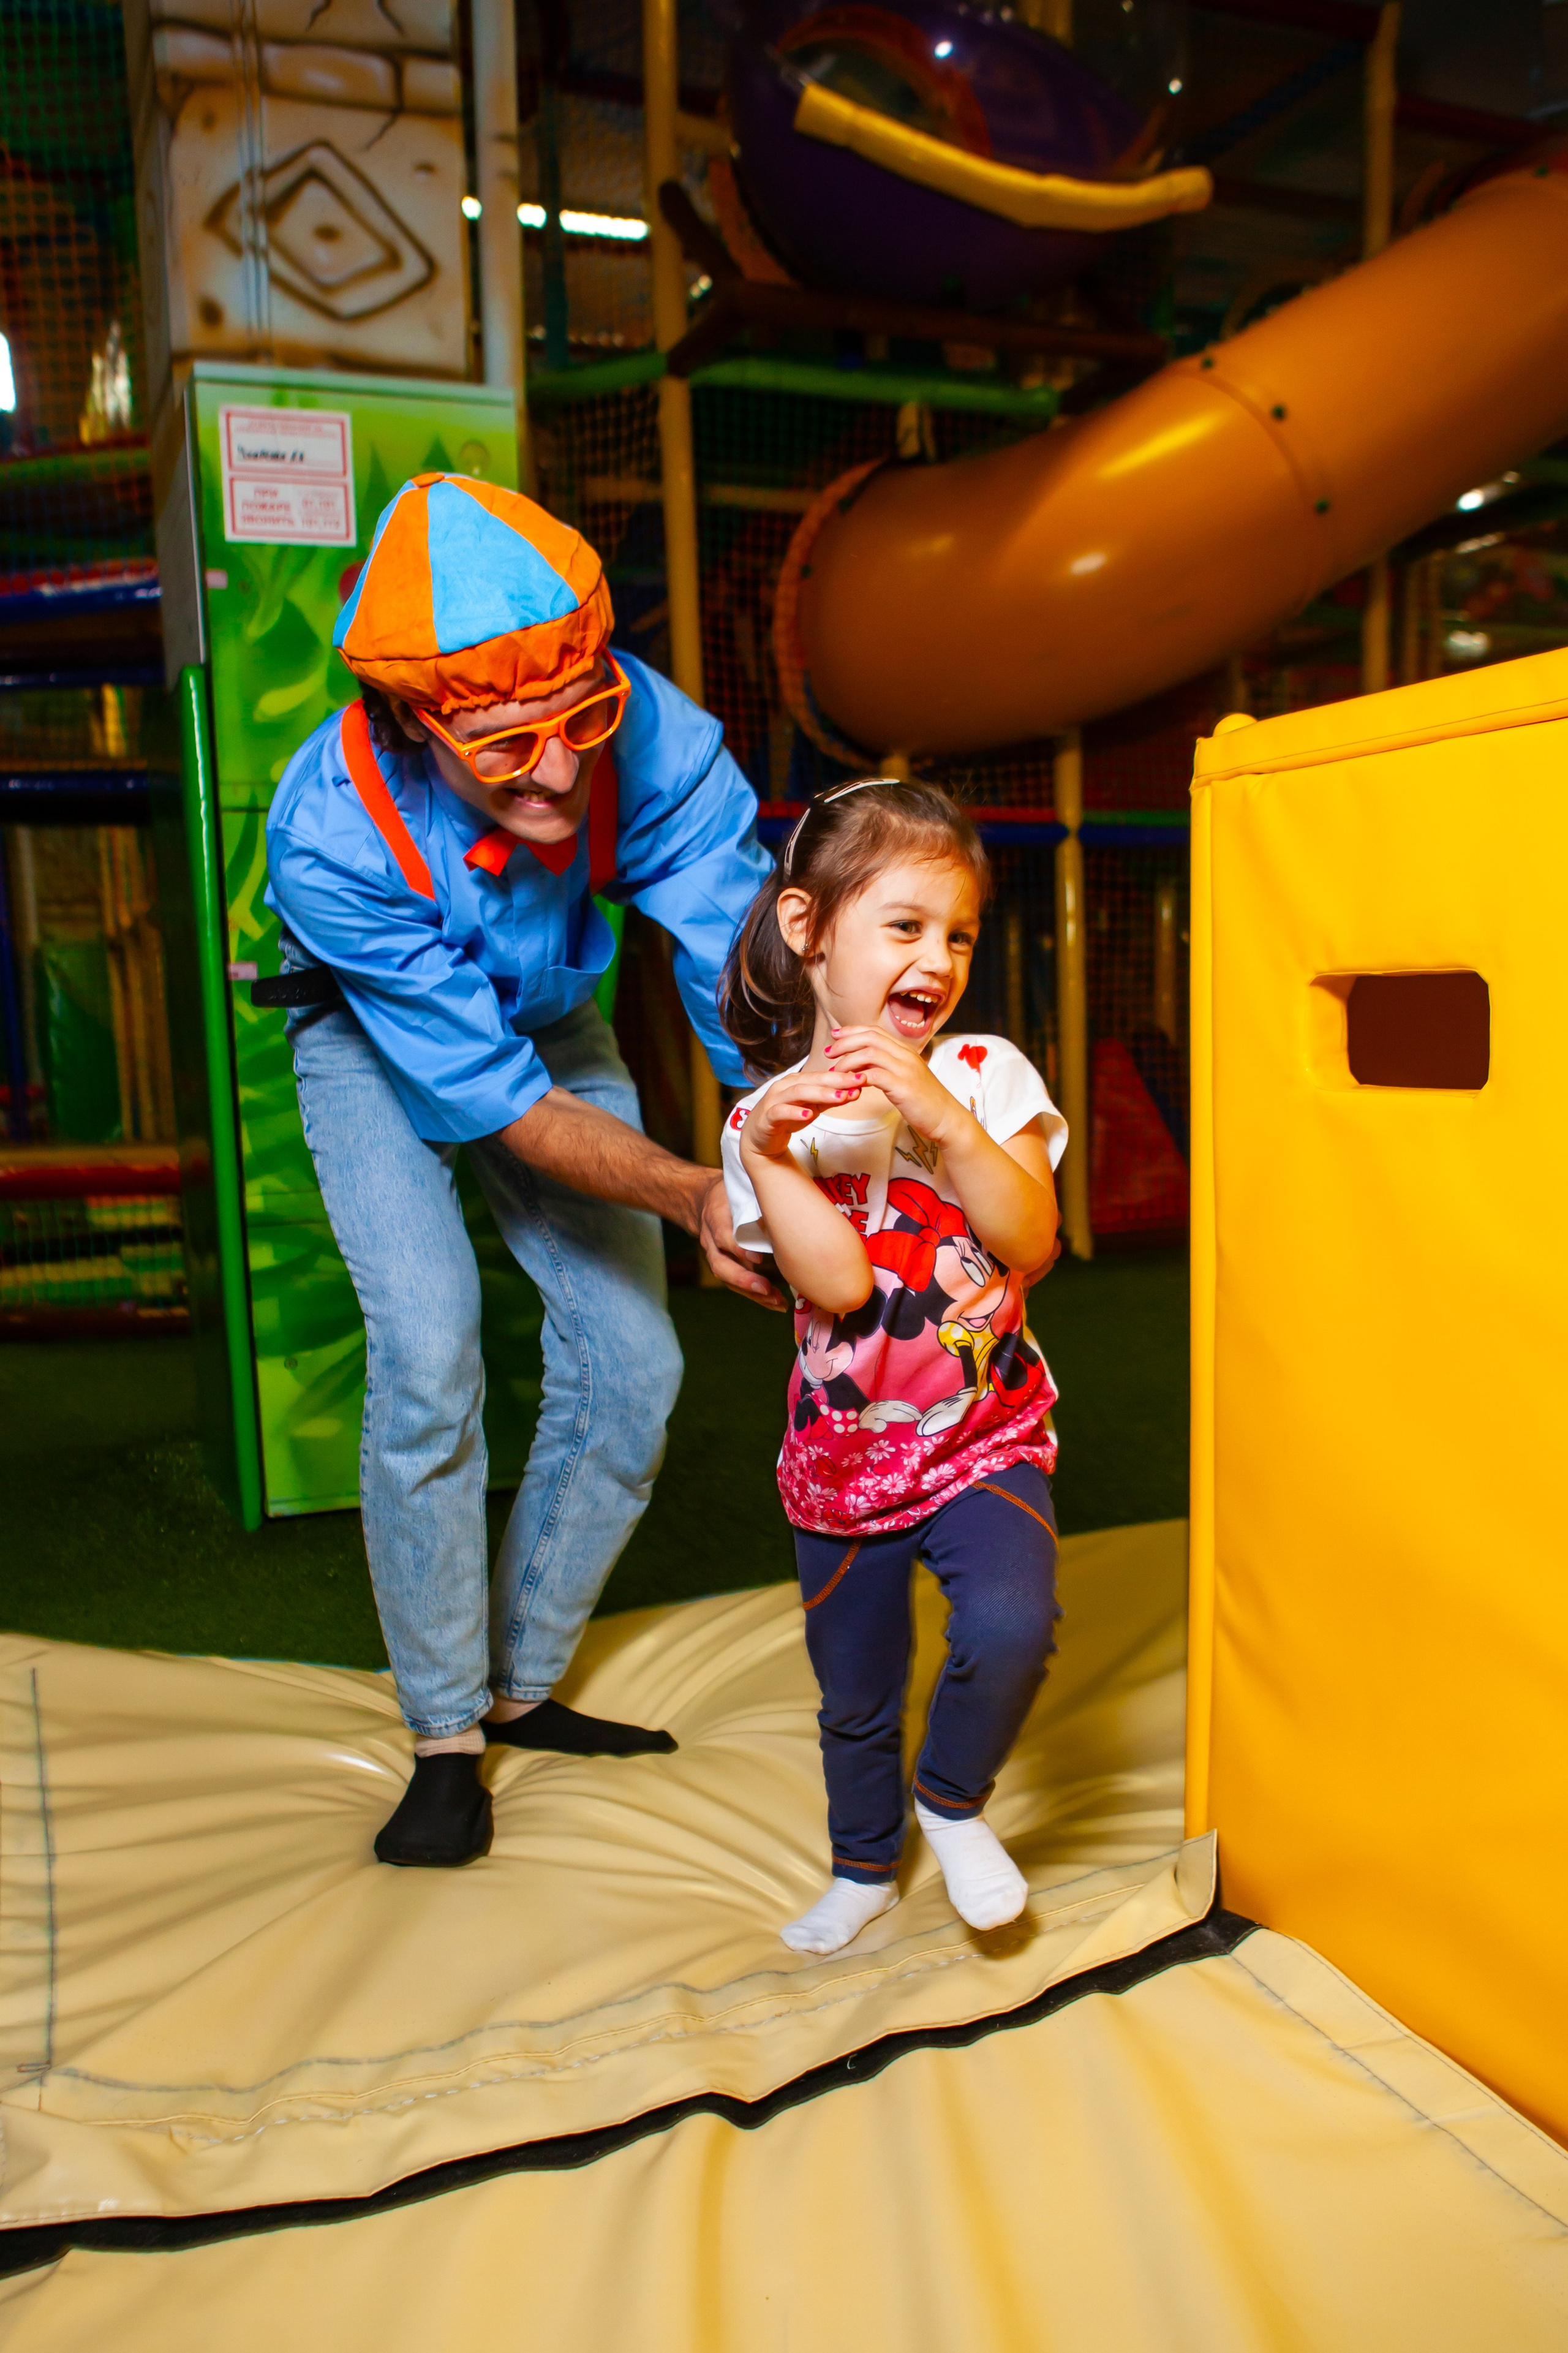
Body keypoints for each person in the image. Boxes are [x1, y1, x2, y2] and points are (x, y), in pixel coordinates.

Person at [265, 472, 775, 1869]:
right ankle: (443, 1733)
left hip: (551, 1001)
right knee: (429, 1352)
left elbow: (743, 973)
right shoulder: (330, 836)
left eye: (581, 722)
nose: (557, 771)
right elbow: (493, 1103)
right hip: (373, 1033)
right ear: (411, 719)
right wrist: (686, 1194)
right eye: (503, 745)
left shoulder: (653, 736)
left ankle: (519, 1687)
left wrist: (789, 1154)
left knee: (637, 1363)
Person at [718, 779, 1066, 1954]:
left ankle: (951, 1800)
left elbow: (1031, 1241)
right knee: (854, 1689)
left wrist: (948, 1124)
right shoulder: (771, 1117)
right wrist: (766, 1150)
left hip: (985, 1431)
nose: (938, 957)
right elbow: (839, 1287)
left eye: (957, 934)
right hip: (844, 1450)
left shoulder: (985, 1071)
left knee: (1013, 1623)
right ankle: (864, 1866)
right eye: (905, 926)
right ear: (811, 930)